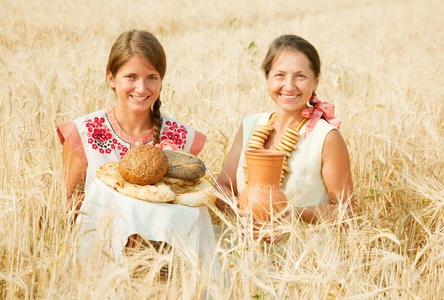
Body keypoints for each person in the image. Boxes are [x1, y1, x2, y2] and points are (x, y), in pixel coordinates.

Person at [57, 30, 207, 252]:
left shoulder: (182, 138)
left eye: (152, 78)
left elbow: (191, 204)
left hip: (165, 265)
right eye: (131, 77)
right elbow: (69, 206)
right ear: (111, 78)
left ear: (161, 81)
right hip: (99, 258)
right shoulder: (83, 133)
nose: (141, 88)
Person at [217, 34, 354, 234]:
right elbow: (222, 186)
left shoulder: (326, 137)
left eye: (300, 76)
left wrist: (293, 215)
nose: (289, 86)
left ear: (315, 82)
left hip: (302, 257)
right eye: (279, 75)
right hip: (241, 247)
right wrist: (236, 210)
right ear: (267, 79)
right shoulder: (250, 125)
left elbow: (346, 211)